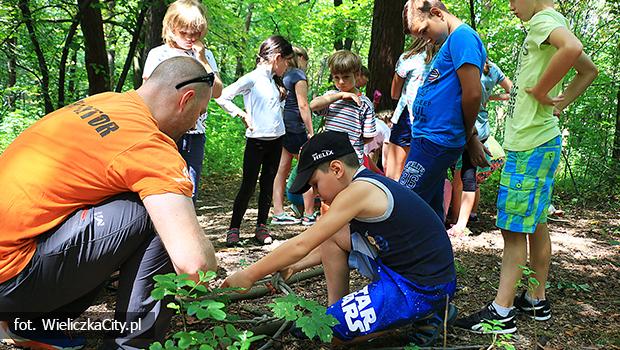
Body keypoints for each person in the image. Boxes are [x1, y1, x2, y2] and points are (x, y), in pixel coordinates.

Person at [0, 57, 218, 349]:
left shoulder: (104, 102)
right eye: (199, 114)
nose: (194, 125)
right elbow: (195, 269)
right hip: (12, 279)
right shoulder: (150, 146)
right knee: (155, 215)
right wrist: (213, 263)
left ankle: (33, 325)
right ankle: (129, 345)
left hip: (12, 266)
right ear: (186, 100)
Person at [222, 131, 457, 344]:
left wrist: (249, 275)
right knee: (332, 234)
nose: (315, 194)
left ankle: (431, 313)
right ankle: (337, 311)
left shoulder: (359, 191)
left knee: (328, 336)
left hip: (421, 286)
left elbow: (303, 243)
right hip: (399, 270)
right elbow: (327, 241)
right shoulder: (364, 185)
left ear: (336, 169)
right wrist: (295, 266)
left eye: (315, 184)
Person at [455, 0, 598, 333]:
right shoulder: (552, 21)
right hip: (539, 140)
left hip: (530, 143)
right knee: (535, 222)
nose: (510, 6)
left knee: (514, 228)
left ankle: (501, 312)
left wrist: (542, 90)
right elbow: (588, 70)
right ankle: (536, 299)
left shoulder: (543, 21)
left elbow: (574, 49)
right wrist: (560, 102)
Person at [400, 0, 489, 221]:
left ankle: (389, 253)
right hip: (428, 138)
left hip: (436, 140)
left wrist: (469, 135)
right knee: (429, 206)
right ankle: (435, 253)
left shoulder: (463, 37)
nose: (425, 39)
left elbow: (473, 93)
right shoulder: (452, 41)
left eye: (424, 31)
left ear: (437, 13)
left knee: (404, 202)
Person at [216, 35, 294, 247]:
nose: (287, 66)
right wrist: (242, 114)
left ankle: (262, 227)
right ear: (277, 58)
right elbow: (222, 96)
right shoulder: (252, 78)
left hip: (277, 140)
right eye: (287, 61)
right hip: (256, 141)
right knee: (248, 185)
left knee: (267, 184)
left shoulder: (274, 81)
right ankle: (234, 229)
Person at [142, 0, 223, 204]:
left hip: (195, 133)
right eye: (184, 33)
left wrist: (202, 60)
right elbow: (147, 94)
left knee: (190, 189)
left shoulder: (206, 56)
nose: (190, 38)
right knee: (161, 187)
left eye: (195, 33)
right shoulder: (159, 54)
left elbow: (217, 92)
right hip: (163, 132)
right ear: (171, 28)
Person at [448, 59, 513, 236]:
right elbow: (512, 91)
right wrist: (489, 97)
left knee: (459, 178)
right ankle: (462, 222)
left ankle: (455, 221)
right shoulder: (493, 68)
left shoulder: (463, 64)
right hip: (482, 127)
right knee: (469, 175)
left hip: (462, 125)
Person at [271, 46, 317, 226]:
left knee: (282, 169)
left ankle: (278, 211)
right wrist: (311, 131)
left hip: (282, 126)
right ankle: (309, 213)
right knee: (308, 167)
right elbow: (303, 105)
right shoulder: (298, 75)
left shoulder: (283, 75)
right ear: (300, 58)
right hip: (296, 128)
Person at [310, 50, 377, 164]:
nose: (341, 82)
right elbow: (313, 105)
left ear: (356, 75)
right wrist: (340, 95)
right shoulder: (332, 97)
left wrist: (352, 142)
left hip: (351, 157)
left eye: (346, 77)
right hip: (329, 154)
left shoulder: (364, 103)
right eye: (336, 77)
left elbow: (368, 136)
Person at [386, 29, 436, 181]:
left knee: (394, 173)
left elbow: (394, 94)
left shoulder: (408, 58)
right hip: (433, 119)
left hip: (408, 116)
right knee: (420, 173)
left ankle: (392, 203)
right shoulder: (446, 61)